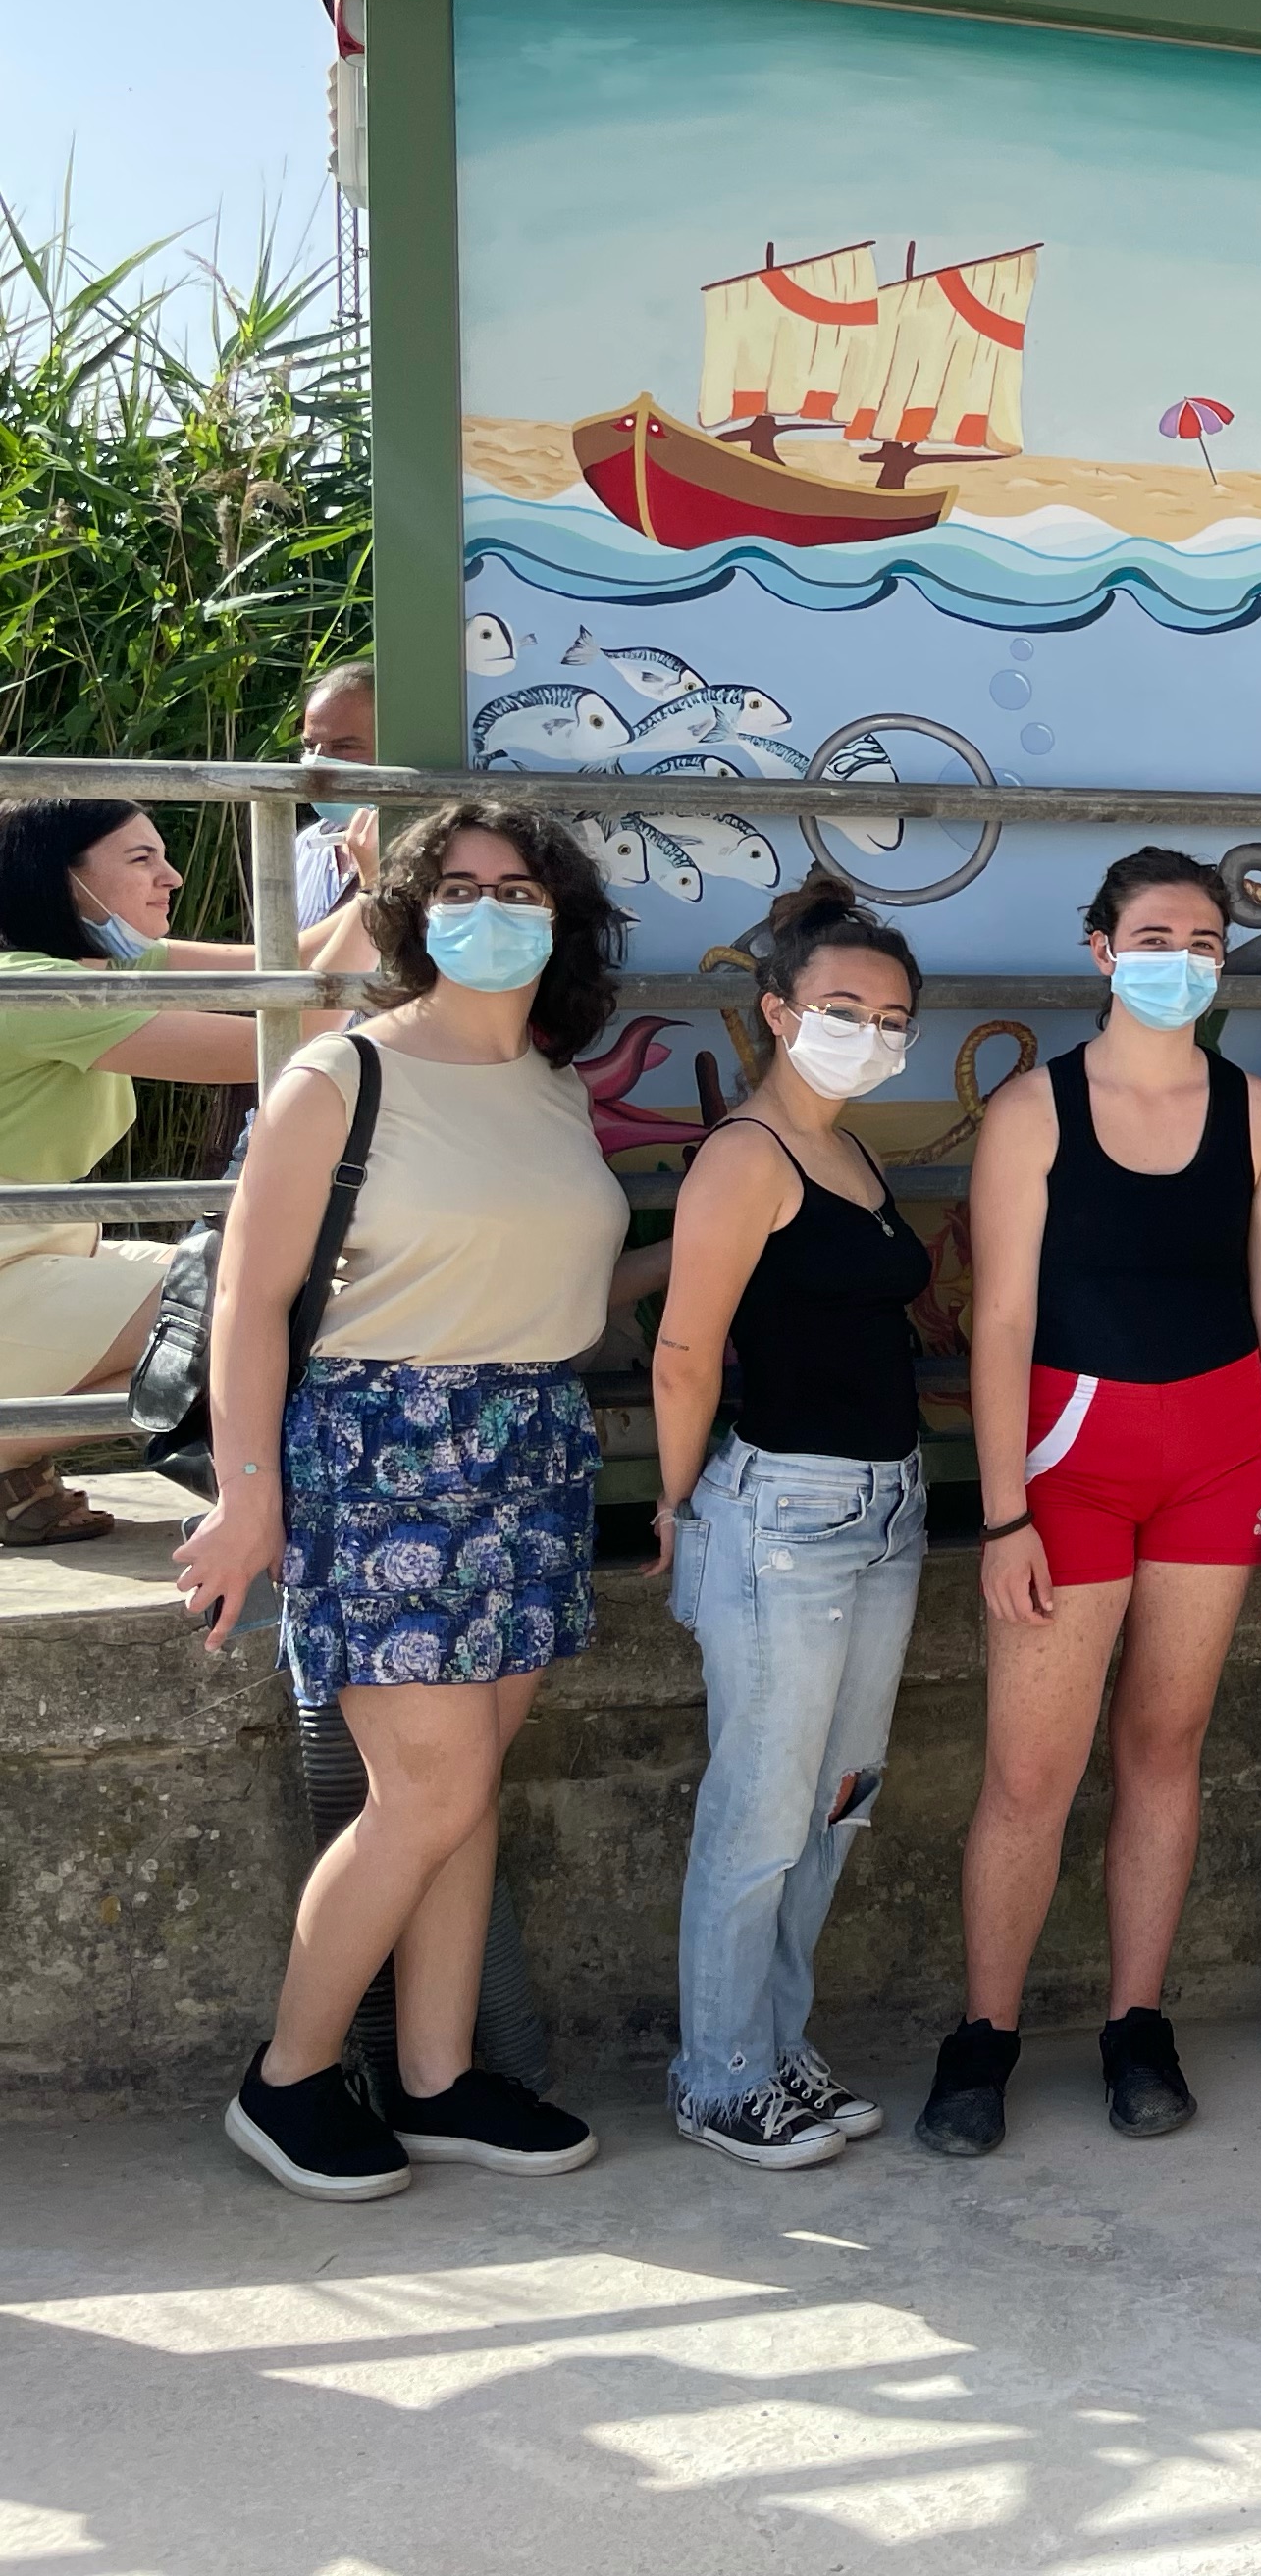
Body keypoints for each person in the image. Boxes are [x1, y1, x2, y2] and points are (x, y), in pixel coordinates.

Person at [172, 803, 631, 2201]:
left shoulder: (554, 1085)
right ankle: (289, 2077)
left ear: (562, 921)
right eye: (464, 886)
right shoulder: (342, 1074)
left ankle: (437, 2077)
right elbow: (250, 1303)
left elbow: (538, 1267)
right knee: (427, 1789)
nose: (492, 909)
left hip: (531, 1446)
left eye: (522, 889)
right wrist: (248, 1498)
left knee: (465, 1783)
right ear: (417, 912)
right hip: (383, 1453)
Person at [919, 846, 1261, 2158]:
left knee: (1165, 1747)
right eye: (1155, 938)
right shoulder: (1034, 1110)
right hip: (1069, 1465)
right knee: (1031, 1771)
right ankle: (982, 2038)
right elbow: (1000, 1320)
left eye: (1204, 942)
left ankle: (1136, 2024)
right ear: (1101, 951)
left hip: (1223, 1460)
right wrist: (1003, 1514)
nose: (1181, 961)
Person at [646, 880, 935, 2169]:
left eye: (892, 1016)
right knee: (761, 1810)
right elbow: (684, 1353)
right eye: (841, 1007)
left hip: (887, 1509)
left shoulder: (850, 1153)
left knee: (833, 1801)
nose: (869, 1032)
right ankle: (718, 2077)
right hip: (783, 1517)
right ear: (777, 1009)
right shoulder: (746, 1156)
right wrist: (674, 1505)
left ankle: (774, 2047)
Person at [0, 797, 375, 1541]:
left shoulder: (97, 957)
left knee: (256, 1306)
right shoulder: (35, 989)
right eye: (141, 859)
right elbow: (291, 1044)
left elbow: (290, 963)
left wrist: (384, 887)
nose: (170, 877)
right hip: (16, 1261)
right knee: (255, 1311)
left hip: (42, 1248)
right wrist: (382, 898)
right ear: (59, 877)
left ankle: (15, 1454)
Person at [290, 661, 384, 932]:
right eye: (310, 747)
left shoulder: (429, 852)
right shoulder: (304, 848)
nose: (319, 762)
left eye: (344, 747)